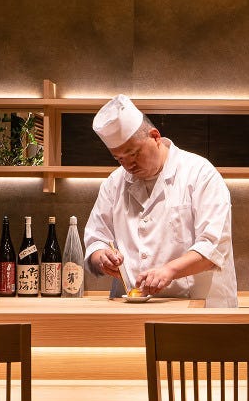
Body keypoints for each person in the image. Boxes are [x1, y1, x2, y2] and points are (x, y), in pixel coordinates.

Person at [83, 94, 238, 307]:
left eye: (133, 154)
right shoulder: (114, 183)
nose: (128, 165)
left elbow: (213, 246)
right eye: (119, 159)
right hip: (130, 308)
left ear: (155, 136)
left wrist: (169, 270)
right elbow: (96, 238)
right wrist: (101, 257)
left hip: (199, 307)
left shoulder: (200, 173)